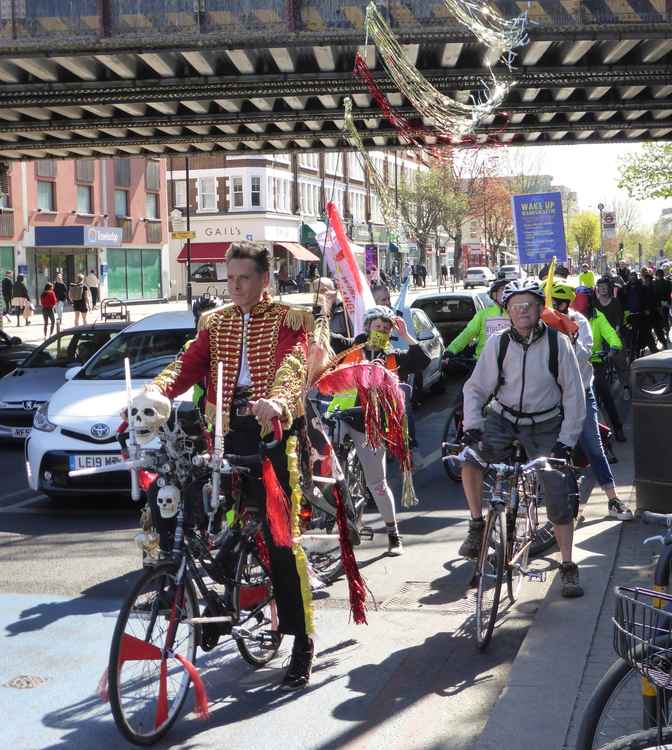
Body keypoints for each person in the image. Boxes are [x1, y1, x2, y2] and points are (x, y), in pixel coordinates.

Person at [147, 241, 316, 690]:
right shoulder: (214, 323)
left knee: (280, 539)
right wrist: (155, 394)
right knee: (178, 504)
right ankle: (206, 592)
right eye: (231, 277)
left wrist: (278, 401)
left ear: (265, 280)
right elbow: (188, 363)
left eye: (244, 278)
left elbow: (294, 363)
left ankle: (301, 641)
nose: (235, 286)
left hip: (272, 434)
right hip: (222, 434)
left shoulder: (288, 319)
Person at [459, 280, 587, 598]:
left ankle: (568, 565)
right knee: (470, 460)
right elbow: (475, 389)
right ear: (508, 311)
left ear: (539, 308)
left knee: (557, 490)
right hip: (504, 419)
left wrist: (565, 443)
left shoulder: (559, 344)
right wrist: (473, 425)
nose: (521, 312)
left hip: (545, 424)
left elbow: (574, 396)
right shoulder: (498, 344)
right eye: (515, 306)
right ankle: (477, 525)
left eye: (528, 305)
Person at [325, 305, 429, 554]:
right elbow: (323, 338)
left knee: (377, 483)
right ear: (367, 327)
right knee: (322, 463)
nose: (381, 331)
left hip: (370, 426)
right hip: (341, 417)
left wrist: (405, 336)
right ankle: (331, 509)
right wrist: (324, 309)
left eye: (386, 328)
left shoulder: (394, 357)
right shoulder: (351, 349)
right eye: (377, 326)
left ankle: (394, 535)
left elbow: (422, 360)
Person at [549, 282, 632, 520]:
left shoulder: (580, 322)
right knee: (549, 450)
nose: (556, 306)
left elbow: (582, 354)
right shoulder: (542, 323)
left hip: (581, 393)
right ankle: (557, 503)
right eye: (552, 301)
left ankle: (613, 499)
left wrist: (565, 331)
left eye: (561, 302)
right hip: (551, 397)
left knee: (594, 447)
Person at [446, 277, 509, 359]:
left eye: (508, 290)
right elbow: (467, 334)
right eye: (502, 290)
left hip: (509, 362)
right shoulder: (483, 314)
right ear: (494, 295)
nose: (506, 293)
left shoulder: (517, 313)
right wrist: (451, 350)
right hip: (483, 361)